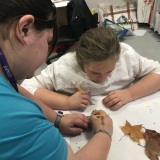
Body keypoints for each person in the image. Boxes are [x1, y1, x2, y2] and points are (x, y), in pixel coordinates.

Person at [0, 0, 113, 159]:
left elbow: (14, 89)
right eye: (48, 40)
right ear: (24, 29)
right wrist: (104, 132)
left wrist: (58, 119)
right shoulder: (18, 118)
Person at [21, 27, 160, 111]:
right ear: (81, 62)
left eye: (109, 71)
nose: (103, 78)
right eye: (95, 72)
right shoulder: (64, 67)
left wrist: (130, 94)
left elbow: (157, 73)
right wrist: (67, 102)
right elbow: (27, 89)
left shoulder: (127, 55)